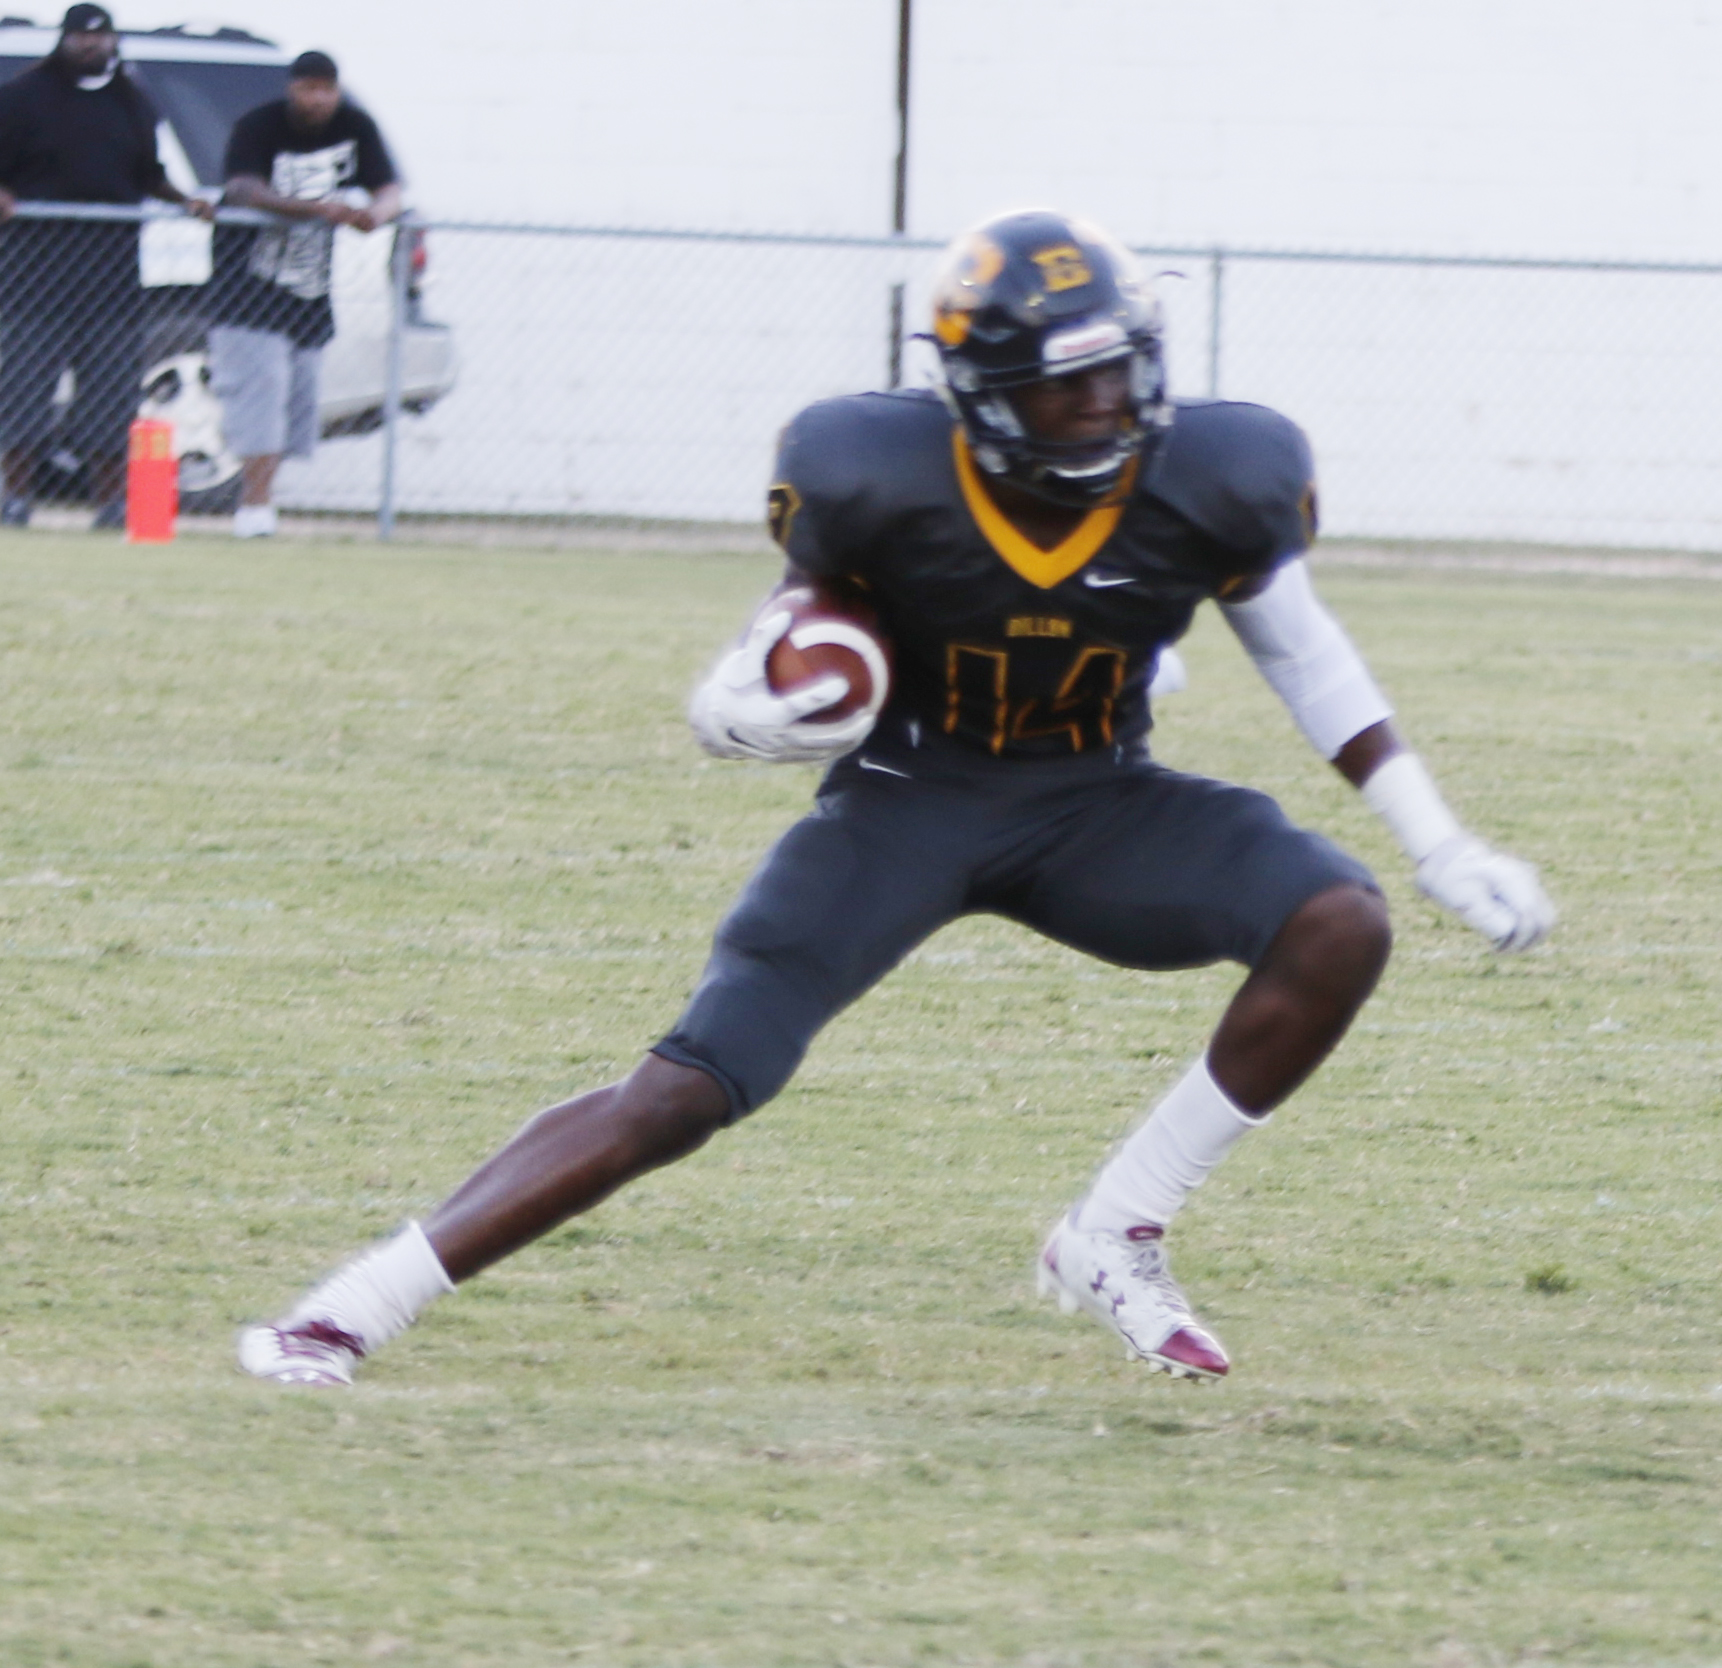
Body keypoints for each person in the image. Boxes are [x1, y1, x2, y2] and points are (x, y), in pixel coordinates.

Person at [239, 210, 1555, 1389]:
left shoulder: (1217, 472)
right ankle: (354, 1307)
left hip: (1097, 801)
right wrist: (736, 699)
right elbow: (796, 630)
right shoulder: (870, 468)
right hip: (906, 801)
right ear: (984, 397)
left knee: (1337, 921)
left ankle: (1115, 1230)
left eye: (1120, 369)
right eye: (1070, 383)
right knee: (687, 1089)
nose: (1108, 402)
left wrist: (1432, 835)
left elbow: (1302, 654)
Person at [0, 4, 212, 530]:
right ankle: (14, 497)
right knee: (24, 390)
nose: (91, 46)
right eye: (81, 37)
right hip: (35, 274)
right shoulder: (23, 96)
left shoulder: (133, 102)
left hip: (112, 278)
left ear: (114, 41)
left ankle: (112, 504)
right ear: (63, 40)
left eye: (100, 37)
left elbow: (149, 174)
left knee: (112, 394)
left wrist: (185, 199)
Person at [207, 50, 401, 540]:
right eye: (307, 88)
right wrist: (314, 209)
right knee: (261, 392)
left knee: (299, 402)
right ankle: (254, 507)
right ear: (291, 88)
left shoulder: (355, 126)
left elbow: (389, 189)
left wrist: (374, 215)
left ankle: (264, 499)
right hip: (247, 290)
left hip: (309, 292)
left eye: (325, 90)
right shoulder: (260, 125)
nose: (316, 99)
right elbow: (244, 189)